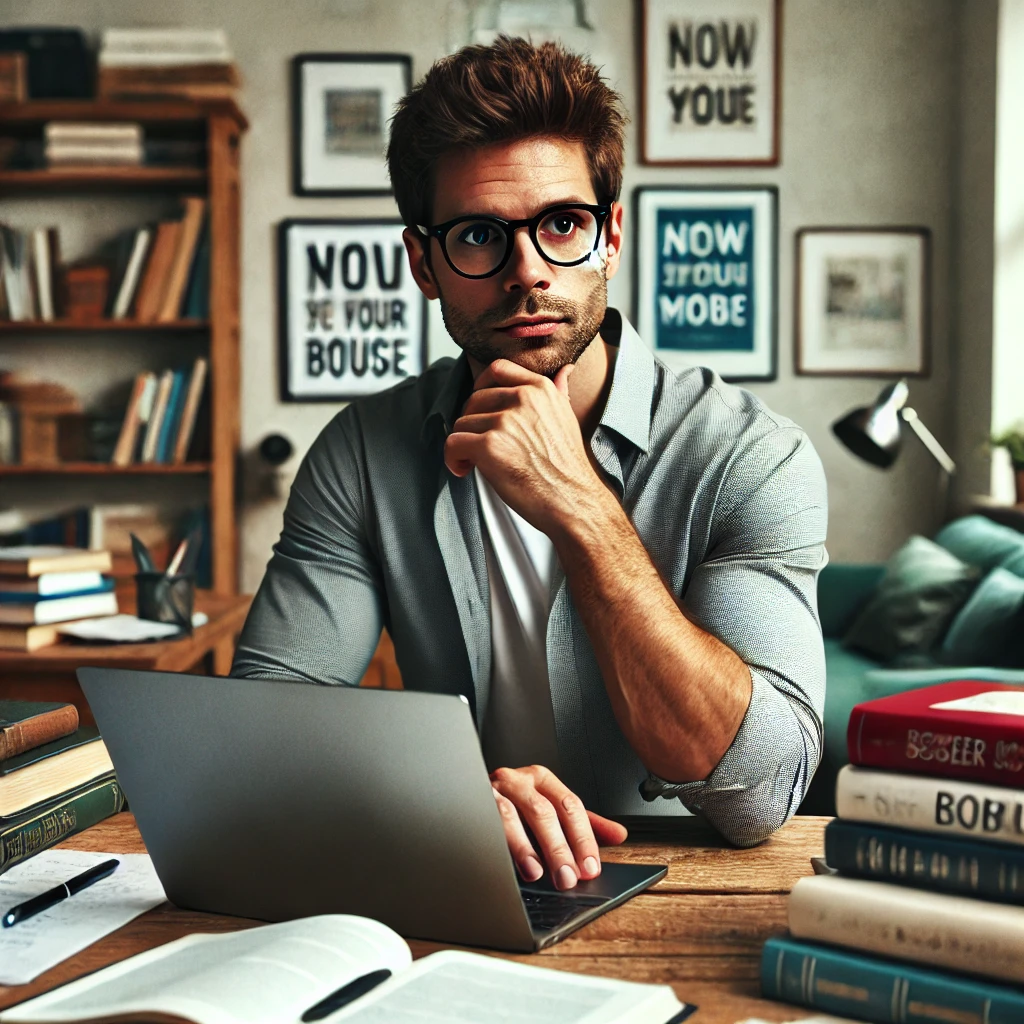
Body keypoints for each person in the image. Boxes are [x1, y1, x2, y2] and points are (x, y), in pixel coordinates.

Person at [233, 36, 828, 892]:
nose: (527, 273)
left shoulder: (749, 456)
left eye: (561, 225)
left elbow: (761, 790)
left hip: (682, 891)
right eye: (478, 235)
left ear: (611, 235)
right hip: (449, 873)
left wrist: (579, 505)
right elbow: (262, 732)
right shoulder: (362, 454)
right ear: (423, 263)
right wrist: (438, 796)